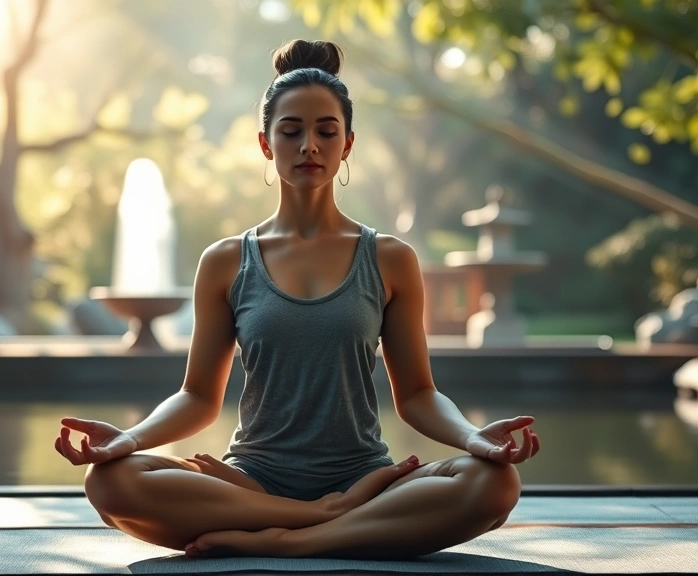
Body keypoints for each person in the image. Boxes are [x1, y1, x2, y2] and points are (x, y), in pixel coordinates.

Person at [54, 39, 541, 560]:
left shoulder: (390, 258)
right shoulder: (225, 261)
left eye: (326, 132)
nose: (309, 144)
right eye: (291, 131)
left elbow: (418, 394)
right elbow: (197, 397)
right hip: (251, 483)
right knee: (109, 483)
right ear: (266, 143)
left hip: (364, 475)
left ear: (347, 144)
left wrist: (474, 440)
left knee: (494, 483)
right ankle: (326, 520)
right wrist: (129, 440)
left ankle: (294, 542)